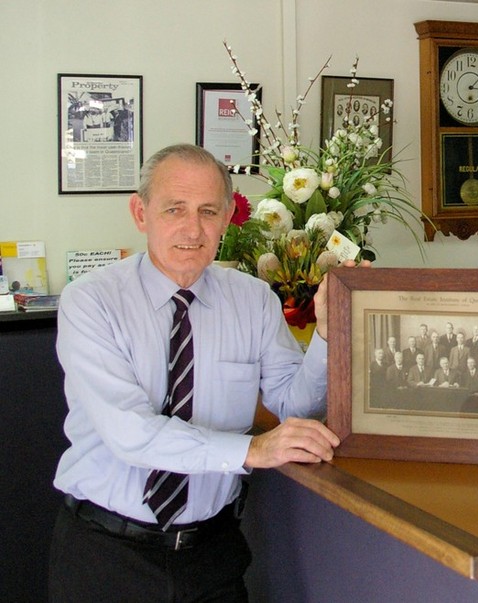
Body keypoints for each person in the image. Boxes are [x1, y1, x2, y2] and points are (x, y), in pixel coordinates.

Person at [48, 143, 353, 601]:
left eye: (209, 211)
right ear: (140, 212)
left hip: (212, 556)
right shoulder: (91, 302)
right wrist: (252, 450)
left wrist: (329, 334)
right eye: (175, 209)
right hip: (107, 555)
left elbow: (293, 404)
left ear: (229, 215)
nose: (193, 229)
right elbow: (130, 433)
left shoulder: (253, 300)